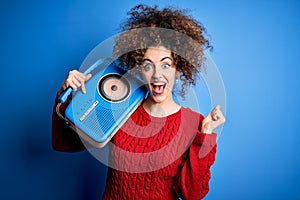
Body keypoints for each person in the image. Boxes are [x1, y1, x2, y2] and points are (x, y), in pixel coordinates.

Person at [52, 4, 225, 200]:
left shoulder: (194, 124)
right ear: (139, 68)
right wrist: (66, 93)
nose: (157, 74)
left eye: (166, 65)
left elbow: (191, 194)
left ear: (179, 69)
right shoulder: (121, 106)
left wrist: (206, 135)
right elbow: (62, 143)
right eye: (148, 65)